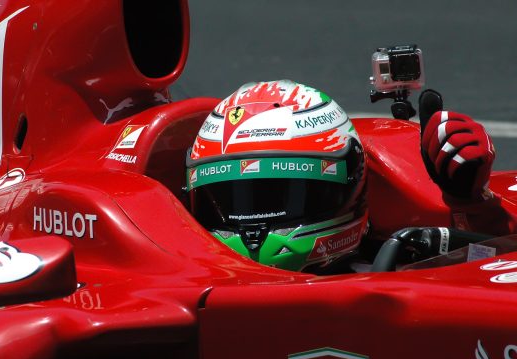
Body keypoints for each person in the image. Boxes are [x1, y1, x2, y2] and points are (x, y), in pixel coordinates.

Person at [185, 80, 499, 273]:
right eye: (232, 198)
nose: (252, 232)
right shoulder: (183, 284)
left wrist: (474, 206)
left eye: (276, 195)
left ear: (349, 181)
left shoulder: (403, 270)